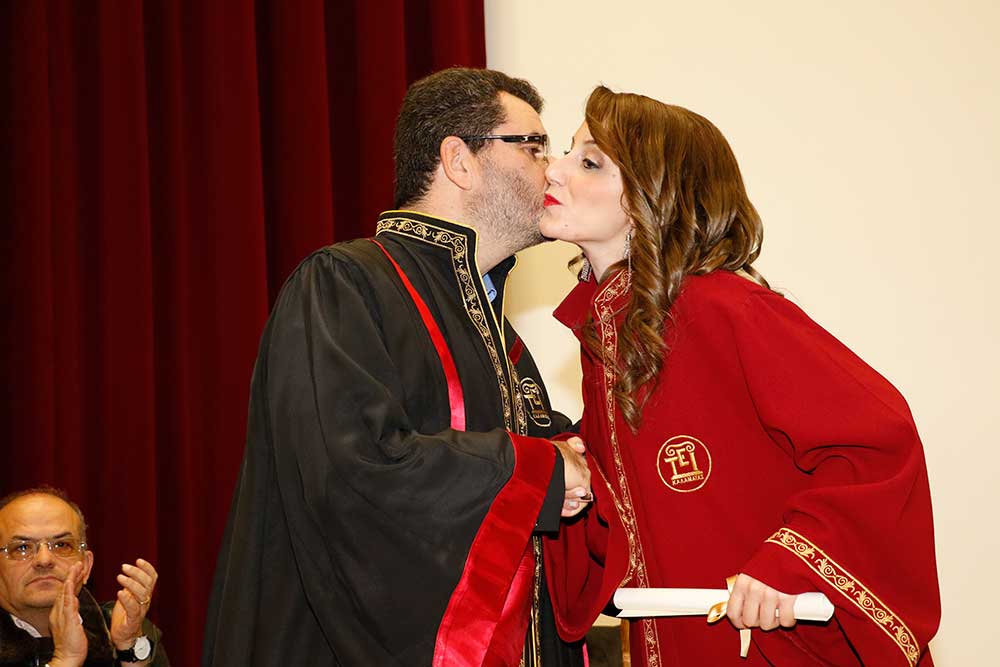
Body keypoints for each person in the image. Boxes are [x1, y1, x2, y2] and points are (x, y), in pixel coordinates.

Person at [202, 68, 591, 667]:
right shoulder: (343, 284)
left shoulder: (497, 334)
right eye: (534, 146)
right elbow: (351, 473)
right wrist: (539, 469)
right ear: (459, 161)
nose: (554, 170)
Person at [539, 86, 940, 666]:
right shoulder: (611, 334)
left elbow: (879, 441)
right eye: (566, 152)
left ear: (655, 195)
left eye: (590, 162)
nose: (553, 169)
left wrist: (790, 563)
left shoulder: (722, 307)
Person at [0, 487, 167, 667]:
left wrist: (128, 648)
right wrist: (66, 659)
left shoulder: (118, 625)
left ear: (86, 566)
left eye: (62, 545)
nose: (44, 560)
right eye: (22, 548)